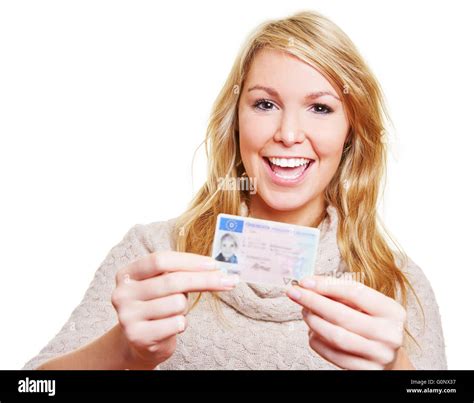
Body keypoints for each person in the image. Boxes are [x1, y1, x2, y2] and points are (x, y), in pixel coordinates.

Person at [22, 10, 447, 370]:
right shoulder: (153, 254)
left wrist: (397, 371)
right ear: (237, 118)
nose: (288, 134)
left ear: (351, 132)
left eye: (320, 108)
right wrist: (122, 350)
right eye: (266, 104)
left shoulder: (397, 284)